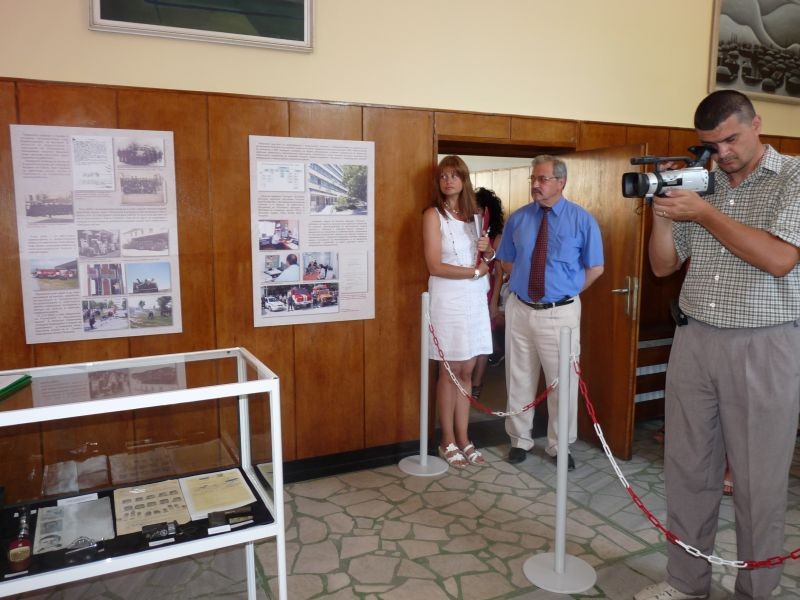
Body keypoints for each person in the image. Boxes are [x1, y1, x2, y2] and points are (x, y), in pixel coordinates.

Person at [634, 90, 800, 600]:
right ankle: (685, 583)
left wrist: (704, 213)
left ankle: (755, 591)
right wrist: (664, 212)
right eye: (711, 144)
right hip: (695, 340)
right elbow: (663, 266)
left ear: (757, 124)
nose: (721, 153)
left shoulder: (793, 177)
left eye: (730, 139)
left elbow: (779, 260)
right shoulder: (702, 182)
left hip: (764, 344)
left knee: (758, 484)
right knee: (687, 472)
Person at [495, 155, 604, 470]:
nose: (536, 185)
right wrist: (526, 283)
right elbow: (506, 260)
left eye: (542, 179)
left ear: (561, 182)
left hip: (560, 314)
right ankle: (519, 440)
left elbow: (596, 268)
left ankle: (560, 446)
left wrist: (566, 292)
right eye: (533, 179)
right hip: (520, 309)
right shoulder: (519, 218)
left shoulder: (582, 220)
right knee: (518, 377)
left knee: (562, 382)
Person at [423, 155, 494, 468]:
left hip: (473, 299)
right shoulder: (433, 215)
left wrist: (488, 252)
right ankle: (447, 439)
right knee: (449, 370)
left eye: (454, 175)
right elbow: (434, 265)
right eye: (443, 176)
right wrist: (476, 272)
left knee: (467, 370)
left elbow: (486, 259)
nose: (448, 181)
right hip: (448, 299)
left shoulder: (474, 216)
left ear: (464, 179)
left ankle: (465, 438)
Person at [470, 187, 506, 400]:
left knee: (483, 339)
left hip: (487, 289)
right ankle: (466, 381)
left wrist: (493, 303)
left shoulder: (497, 238)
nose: (473, 211)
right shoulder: (467, 231)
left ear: (486, 210)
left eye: (477, 208)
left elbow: (499, 274)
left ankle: (477, 383)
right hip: (469, 288)